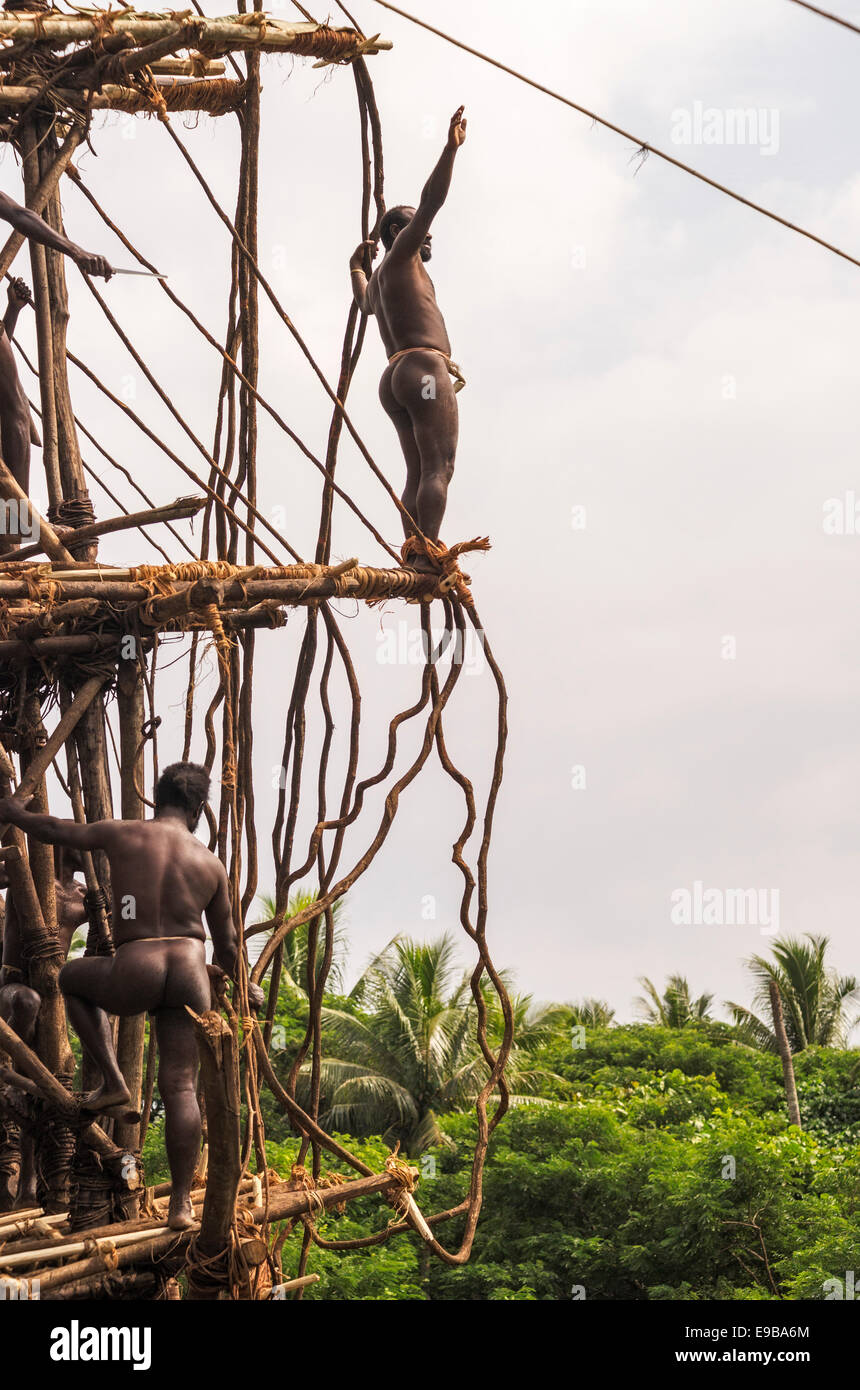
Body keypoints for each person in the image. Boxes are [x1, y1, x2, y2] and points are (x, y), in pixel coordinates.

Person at [0, 762, 256, 1230]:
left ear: (156, 797)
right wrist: (242, 982)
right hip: (190, 967)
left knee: (73, 977)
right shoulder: (210, 863)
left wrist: (13, 811)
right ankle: (181, 1205)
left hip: (138, 962)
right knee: (180, 1087)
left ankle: (114, 1082)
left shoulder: (124, 833)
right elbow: (231, 944)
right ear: (198, 808)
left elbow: (56, 829)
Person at [349, 106, 467, 569]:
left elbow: (363, 302)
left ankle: (416, 549)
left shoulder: (379, 277)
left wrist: (356, 265)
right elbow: (432, 199)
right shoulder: (402, 256)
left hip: (393, 377)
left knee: (417, 469)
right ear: (400, 233)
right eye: (419, 228)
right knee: (439, 468)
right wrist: (450, 149)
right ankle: (427, 555)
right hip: (422, 368)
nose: (429, 233)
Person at [0, 846, 87, 1209]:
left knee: (44, 1088)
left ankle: (30, 1188)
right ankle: (12, 1075)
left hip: (53, 998)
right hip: (12, 985)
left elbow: (128, 921)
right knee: (27, 1003)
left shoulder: (86, 895)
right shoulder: (30, 880)